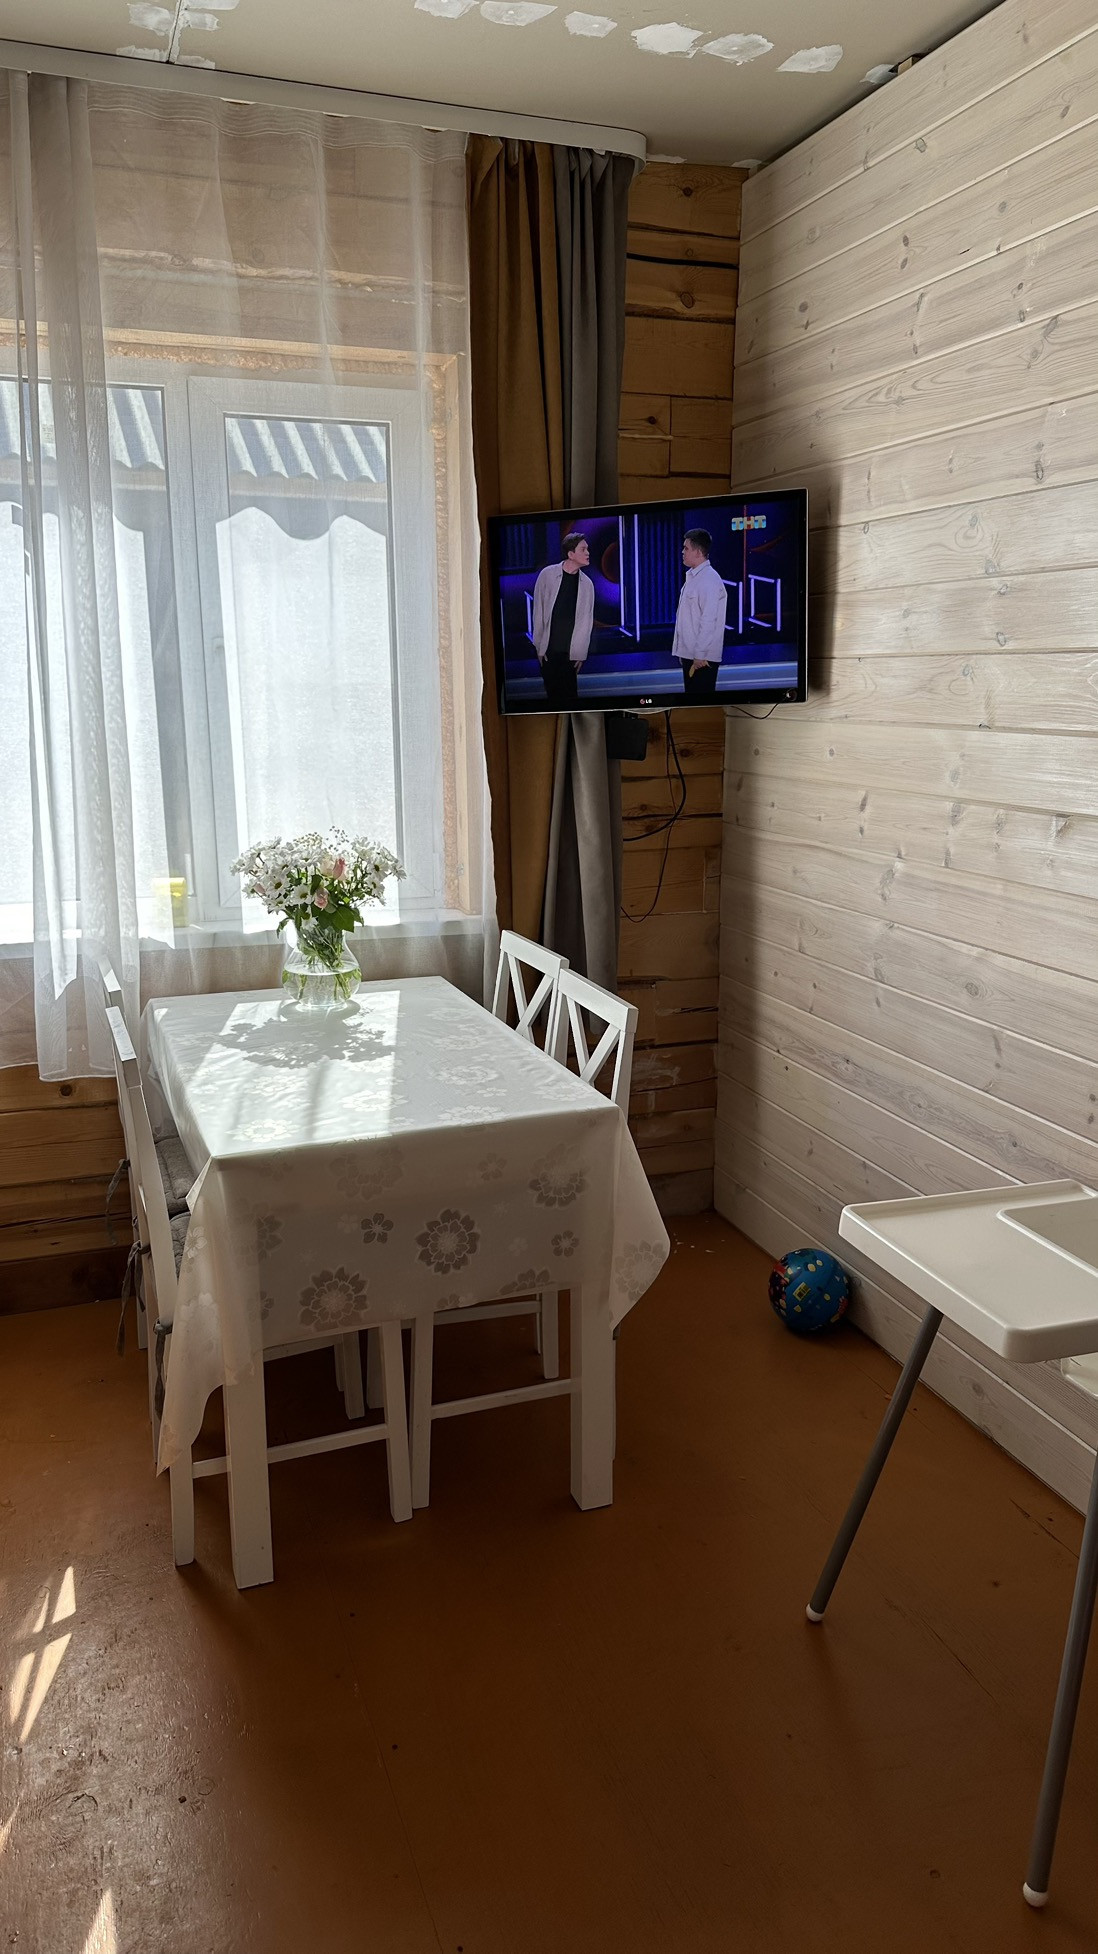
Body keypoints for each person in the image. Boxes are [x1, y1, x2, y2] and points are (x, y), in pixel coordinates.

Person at [531, 531, 595, 709]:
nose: (588, 553)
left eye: (587, 549)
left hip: (571, 654)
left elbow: (586, 622)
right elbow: (538, 611)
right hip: (549, 651)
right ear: (571, 554)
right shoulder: (547, 575)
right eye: (583, 549)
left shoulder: (587, 584)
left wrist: (580, 653)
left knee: (571, 699)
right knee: (553, 699)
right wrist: (539, 646)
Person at [672, 528, 727, 699]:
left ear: (697, 552)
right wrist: (683, 651)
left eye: (686, 548)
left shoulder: (709, 579)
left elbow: (708, 620)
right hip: (692, 655)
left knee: (701, 701)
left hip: (702, 660)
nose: (682, 552)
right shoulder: (693, 578)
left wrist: (699, 655)